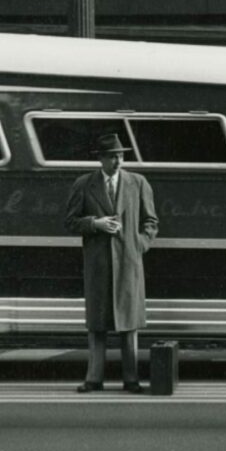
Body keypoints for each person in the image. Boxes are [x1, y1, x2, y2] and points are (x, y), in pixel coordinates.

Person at [64, 133, 159, 393]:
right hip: (98, 264)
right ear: (101, 159)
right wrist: (95, 224)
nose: (117, 161)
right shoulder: (84, 184)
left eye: (120, 156)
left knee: (129, 324)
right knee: (97, 324)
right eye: (112, 156)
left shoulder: (138, 183)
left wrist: (138, 245)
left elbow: (151, 222)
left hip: (128, 262)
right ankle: (94, 379)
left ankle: (131, 379)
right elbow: (70, 222)